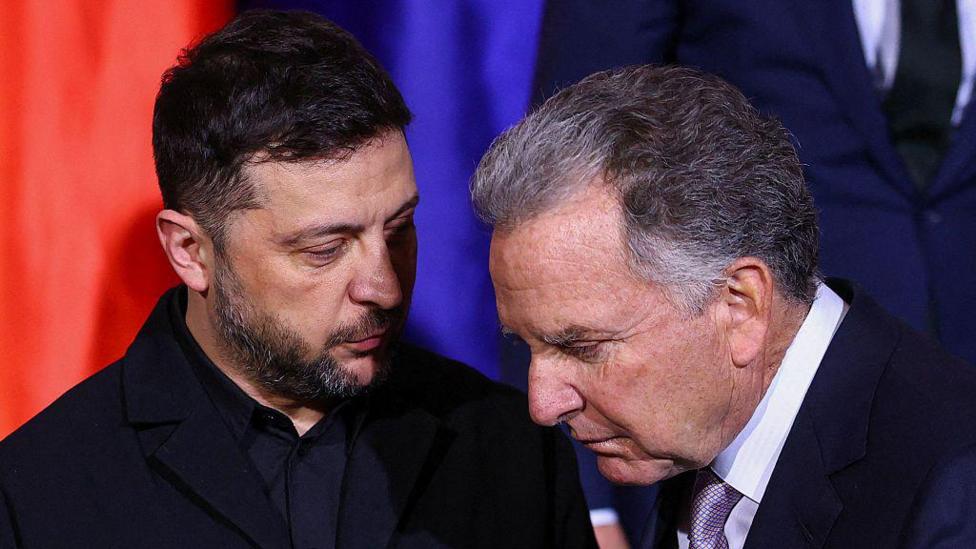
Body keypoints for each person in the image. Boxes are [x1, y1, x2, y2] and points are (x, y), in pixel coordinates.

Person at [0, 11, 596, 549]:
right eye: (324, 250)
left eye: (398, 229)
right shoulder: (39, 492)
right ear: (190, 251)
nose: (384, 288)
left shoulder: (512, 447)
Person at [472, 65, 976, 548]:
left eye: (583, 347)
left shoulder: (955, 486)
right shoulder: (699, 439)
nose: (543, 405)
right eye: (526, 346)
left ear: (740, 307)